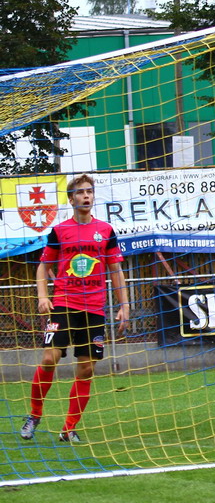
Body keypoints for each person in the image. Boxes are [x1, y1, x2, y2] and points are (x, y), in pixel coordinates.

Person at [20, 174, 130, 443]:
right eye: (81, 192)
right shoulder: (60, 231)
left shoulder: (105, 231)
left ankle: (68, 429)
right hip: (64, 304)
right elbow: (43, 265)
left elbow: (115, 269)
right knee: (49, 358)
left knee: (87, 369)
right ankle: (34, 415)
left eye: (89, 192)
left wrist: (124, 305)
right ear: (71, 199)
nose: (86, 196)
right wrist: (43, 296)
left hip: (94, 309)